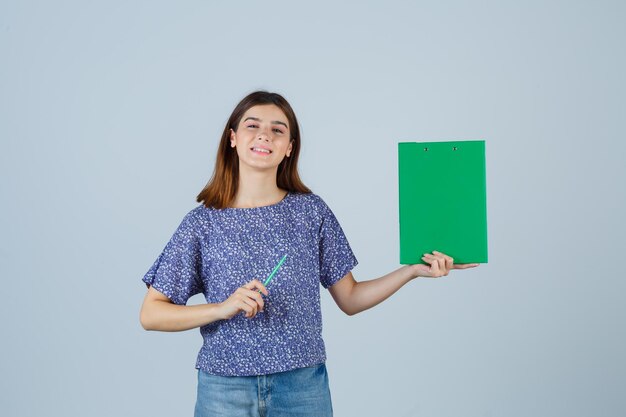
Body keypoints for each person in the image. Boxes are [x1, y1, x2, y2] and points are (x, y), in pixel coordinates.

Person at [139, 91, 479, 417]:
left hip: (301, 388)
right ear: (232, 138)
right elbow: (151, 315)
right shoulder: (202, 222)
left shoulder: (310, 212)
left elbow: (351, 299)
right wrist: (222, 308)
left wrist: (412, 271)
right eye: (252, 125)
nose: (264, 136)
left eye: (277, 130)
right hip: (223, 388)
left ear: (289, 147)